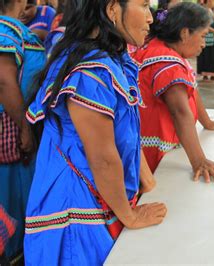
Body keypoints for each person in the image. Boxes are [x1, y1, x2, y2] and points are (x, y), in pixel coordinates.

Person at [24, 0, 167, 264]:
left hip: (100, 196)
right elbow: (102, 157)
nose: (151, 18)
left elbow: (129, 133)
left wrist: (148, 184)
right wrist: (131, 215)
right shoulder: (90, 71)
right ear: (113, 9)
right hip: (76, 210)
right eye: (144, 5)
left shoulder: (109, 57)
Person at [131, 3, 214, 182]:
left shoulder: (156, 47)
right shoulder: (169, 66)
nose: (202, 44)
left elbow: (191, 90)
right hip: (157, 157)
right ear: (184, 33)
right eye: (202, 36)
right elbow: (180, 112)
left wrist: (206, 122)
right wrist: (199, 160)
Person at [0, 0, 45, 262]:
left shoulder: (14, 30)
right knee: (13, 199)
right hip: (13, 128)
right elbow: (5, 81)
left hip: (17, 123)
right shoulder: (6, 30)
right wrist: (25, 128)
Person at [197, 0, 214, 80]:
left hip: (213, 36)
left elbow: (213, 23)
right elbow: (205, 25)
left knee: (212, 55)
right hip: (207, 36)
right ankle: (205, 73)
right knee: (207, 54)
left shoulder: (210, 10)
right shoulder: (204, 10)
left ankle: (212, 74)